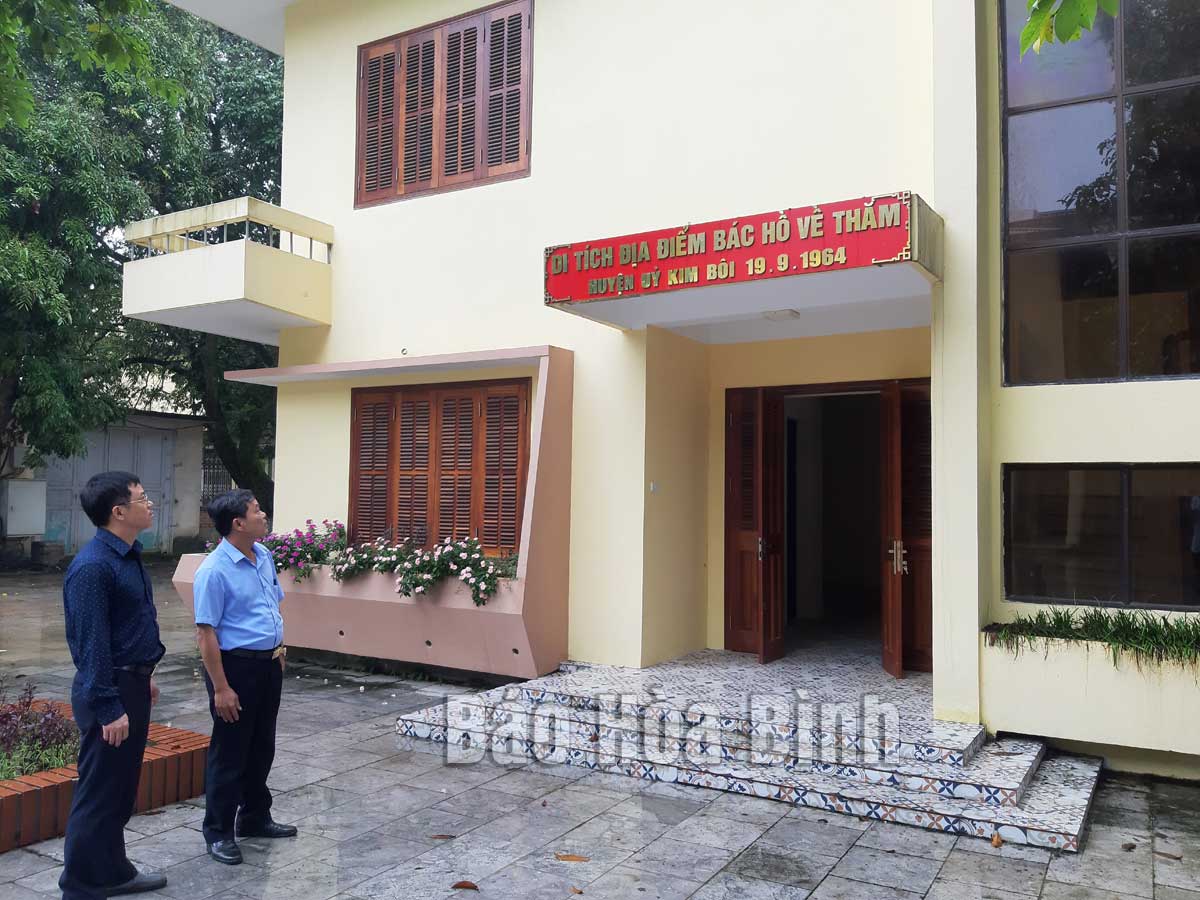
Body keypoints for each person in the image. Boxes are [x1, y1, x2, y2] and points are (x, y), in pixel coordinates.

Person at [59, 472, 167, 899]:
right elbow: (91, 644)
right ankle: (80, 885)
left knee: (119, 792)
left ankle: (113, 871)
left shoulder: (127, 555)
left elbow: (129, 626)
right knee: (99, 793)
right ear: (118, 512)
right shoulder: (93, 566)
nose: (150, 503)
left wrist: (144, 676)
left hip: (131, 683)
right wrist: (108, 705)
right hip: (109, 688)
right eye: (142, 498)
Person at [193, 489, 295, 865]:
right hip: (234, 668)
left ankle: (254, 816)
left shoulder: (263, 555)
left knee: (262, 745)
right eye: (256, 511)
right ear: (238, 523)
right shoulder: (213, 571)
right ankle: (218, 832)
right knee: (230, 750)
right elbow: (206, 634)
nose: (263, 515)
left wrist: (279, 651)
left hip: (268, 664)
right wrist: (221, 687)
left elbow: (270, 607)